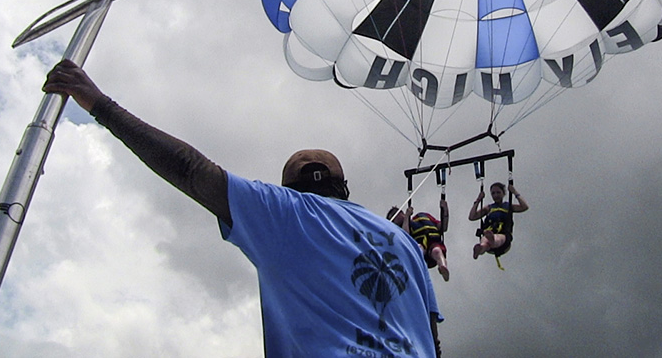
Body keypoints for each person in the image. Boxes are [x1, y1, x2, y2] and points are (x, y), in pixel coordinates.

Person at [42, 60, 441, 357]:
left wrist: (100, 105)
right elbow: (432, 337)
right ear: (346, 188)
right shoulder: (405, 244)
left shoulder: (289, 213)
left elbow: (191, 170)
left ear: (290, 189)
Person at [387, 200, 451, 282]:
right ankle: (417, 269)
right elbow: (406, 236)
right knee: (419, 248)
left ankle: (443, 267)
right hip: (421, 248)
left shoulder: (422, 216)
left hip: (433, 243)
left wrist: (445, 211)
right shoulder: (401, 230)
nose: (395, 221)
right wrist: (407, 217)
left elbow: (443, 227)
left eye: (394, 217)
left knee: (437, 251)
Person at [468, 181, 529, 261]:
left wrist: (514, 192)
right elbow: (472, 217)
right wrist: (478, 200)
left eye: (498, 192)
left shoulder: (508, 206)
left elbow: (524, 207)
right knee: (485, 239)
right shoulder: (489, 208)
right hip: (489, 232)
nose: (495, 195)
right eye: (493, 193)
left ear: (503, 193)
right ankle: (481, 248)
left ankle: (491, 240)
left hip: (503, 236)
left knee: (498, 238)